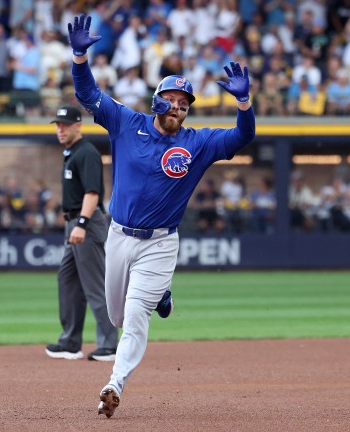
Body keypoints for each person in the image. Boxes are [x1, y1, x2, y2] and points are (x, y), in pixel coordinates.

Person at [66, 14, 256, 418]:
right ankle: (160, 295)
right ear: (157, 99)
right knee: (116, 313)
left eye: (184, 104)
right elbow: (87, 93)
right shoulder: (126, 122)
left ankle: (113, 385)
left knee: (133, 317)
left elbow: (242, 137)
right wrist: (80, 56)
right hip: (119, 235)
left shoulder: (197, 143)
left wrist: (243, 104)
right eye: (172, 99)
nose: (178, 107)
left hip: (160, 242)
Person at [45, 104, 118, 362]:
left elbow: (93, 193)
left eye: (65, 125)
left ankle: (110, 345)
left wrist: (83, 223)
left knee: (94, 285)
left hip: (86, 222)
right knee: (67, 281)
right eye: (58, 125)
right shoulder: (71, 152)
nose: (61, 129)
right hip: (74, 222)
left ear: (79, 126)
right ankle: (70, 342)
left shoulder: (86, 152)